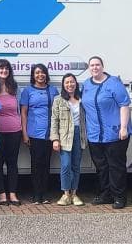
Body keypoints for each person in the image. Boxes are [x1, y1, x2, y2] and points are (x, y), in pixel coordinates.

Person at [81, 56, 132, 209]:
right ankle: (105, 195)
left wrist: (123, 127)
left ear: (102, 66)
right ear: (89, 68)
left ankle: (119, 197)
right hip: (95, 135)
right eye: (92, 65)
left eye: (97, 65)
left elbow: (124, 105)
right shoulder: (86, 85)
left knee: (116, 167)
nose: (94, 67)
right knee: (101, 167)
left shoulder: (113, 83)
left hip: (115, 134)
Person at [20, 63, 58, 204]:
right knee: (36, 164)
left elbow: (57, 112)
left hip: (50, 134)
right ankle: (36, 194)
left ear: (46, 74)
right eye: (37, 73)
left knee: (46, 164)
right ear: (33, 75)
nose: (40, 75)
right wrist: (24, 133)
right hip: (34, 134)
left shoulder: (53, 90)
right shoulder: (27, 91)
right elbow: (23, 113)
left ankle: (44, 193)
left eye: (42, 72)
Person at [50, 73, 87, 206]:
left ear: (76, 83)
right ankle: (65, 194)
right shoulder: (58, 100)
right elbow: (54, 120)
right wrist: (55, 139)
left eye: (72, 82)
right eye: (67, 82)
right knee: (65, 165)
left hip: (79, 134)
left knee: (76, 166)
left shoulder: (82, 99)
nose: (70, 85)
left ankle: (74, 194)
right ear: (63, 85)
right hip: (65, 136)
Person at [0, 58, 22, 206]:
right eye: (1, 68)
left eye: (6, 69)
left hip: (15, 131)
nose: (4, 71)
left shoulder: (15, 88)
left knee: (12, 163)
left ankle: (13, 193)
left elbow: (20, 110)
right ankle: (2, 194)